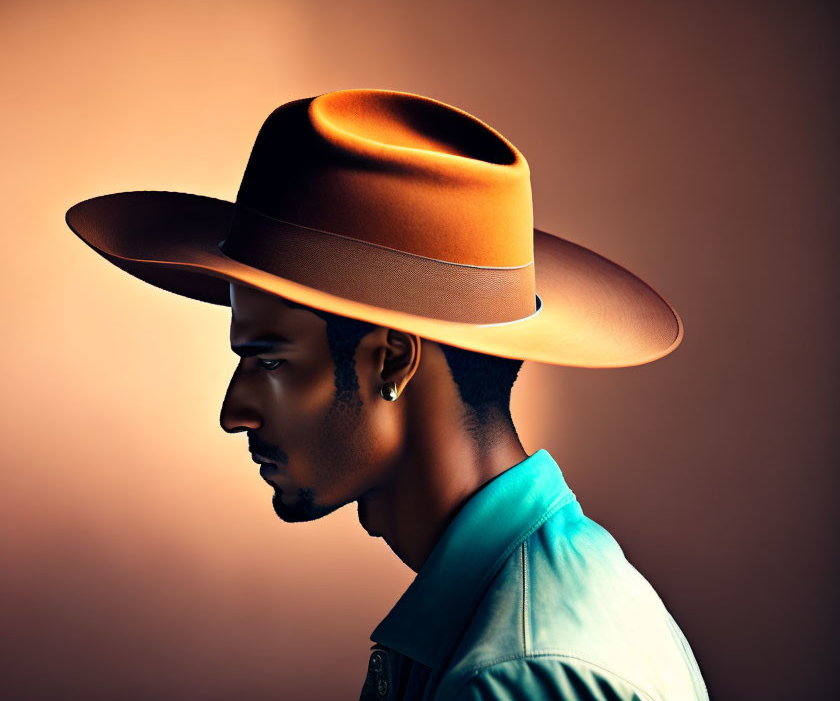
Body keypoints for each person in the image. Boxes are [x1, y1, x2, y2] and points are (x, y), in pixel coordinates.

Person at [66, 89, 708, 700]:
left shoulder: (517, 673)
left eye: (272, 362)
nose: (233, 413)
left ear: (391, 361)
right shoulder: (533, 598)